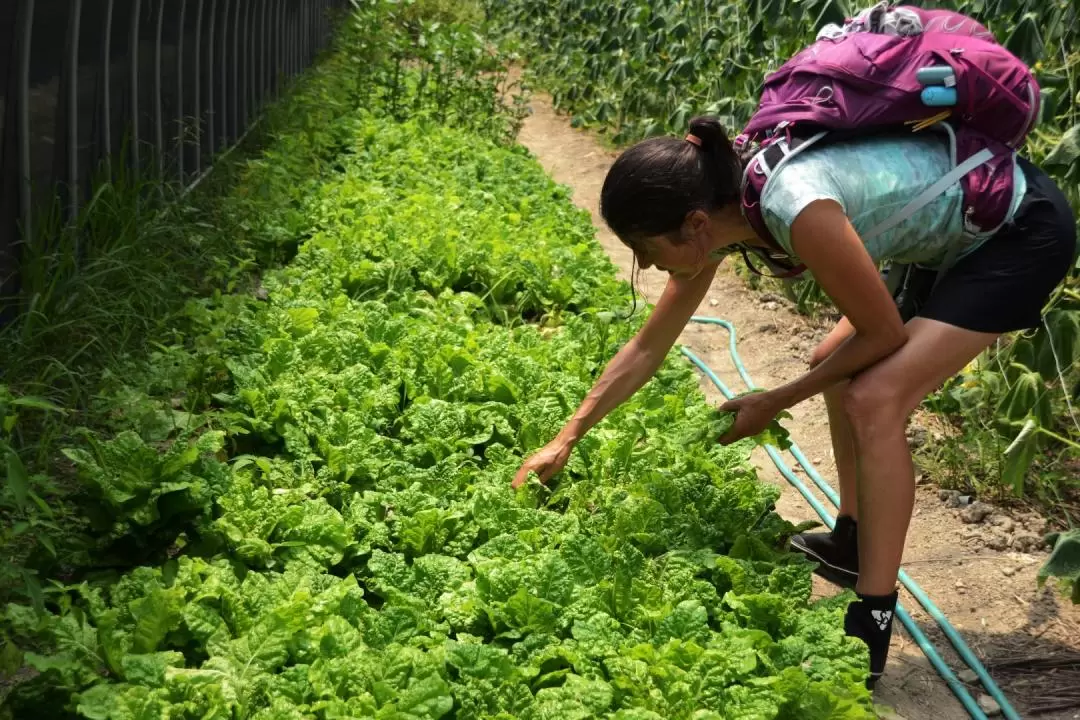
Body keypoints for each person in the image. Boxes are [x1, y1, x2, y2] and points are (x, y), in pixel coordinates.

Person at [510, 115, 1077, 687]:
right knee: (830, 365)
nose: (649, 265)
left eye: (646, 249)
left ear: (695, 223)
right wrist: (565, 440)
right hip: (952, 237)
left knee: (874, 397)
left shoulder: (794, 208)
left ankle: (873, 618)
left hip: (1017, 231)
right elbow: (646, 348)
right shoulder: (723, 217)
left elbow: (883, 336)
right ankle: (853, 538)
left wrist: (774, 401)